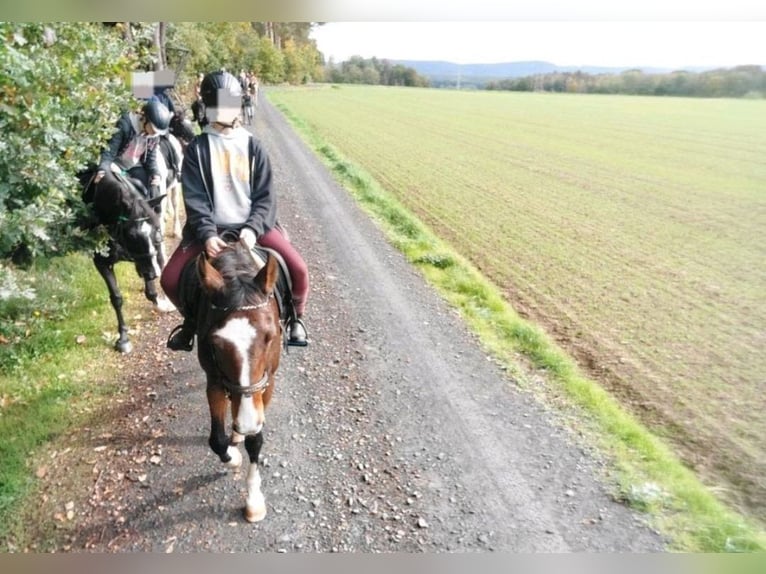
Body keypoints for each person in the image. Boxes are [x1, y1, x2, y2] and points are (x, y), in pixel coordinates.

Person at [161, 70, 309, 351]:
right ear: (207, 106)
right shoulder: (197, 149)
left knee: (299, 270)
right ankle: (191, 322)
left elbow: (266, 197)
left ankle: (295, 319)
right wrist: (206, 235)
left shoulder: (254, 147)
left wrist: (252, 231)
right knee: (169, 279)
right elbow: (195, 198)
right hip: (211, 230)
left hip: (253, 228)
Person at [94, 100, 172, 199]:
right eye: (153, 129)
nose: (154, 134)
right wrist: (103, 169)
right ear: (144, 119)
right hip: (115, 165)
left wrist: (155, 174)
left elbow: (150, 158)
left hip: (133, 166)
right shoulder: (125, 125)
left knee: (147, 188)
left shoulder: (153, 136)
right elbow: (110, 151)